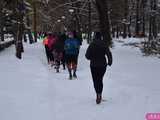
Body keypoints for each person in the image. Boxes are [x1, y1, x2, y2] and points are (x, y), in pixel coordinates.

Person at [85, 32, 113, 104]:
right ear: (101, 37)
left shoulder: (92, 44)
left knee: (95, 80)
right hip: (102, 65)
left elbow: (87, 56)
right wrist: (110, 62)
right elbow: (108, 53)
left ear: (94, 36)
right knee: (100, 79)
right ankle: (99, 93)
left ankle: (97, 93)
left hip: (93, 65)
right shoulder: (104, 44)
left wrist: (91, 57)